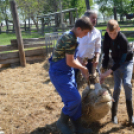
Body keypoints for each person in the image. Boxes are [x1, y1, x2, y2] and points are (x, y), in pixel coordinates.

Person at [49, 17, 93, 134]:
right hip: (59, 73)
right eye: (85, 32)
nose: (86, 35)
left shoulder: (71, 35)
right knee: (74, 99)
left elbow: (71, 59)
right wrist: (83, 68)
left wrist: (80, 65)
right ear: (78, 28)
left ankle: (77, 127)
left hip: (67, 72)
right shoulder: (70, 39)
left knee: (76, 101)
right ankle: (62, 122)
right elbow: (69, 62)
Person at [100, 19, 134, 125]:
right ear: (107, 30)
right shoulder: (106, 37)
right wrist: (103, 70)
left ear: (118, 29)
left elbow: (122, 60)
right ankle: (114, 115)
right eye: (110, 33)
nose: (112, 35)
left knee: (127, 83)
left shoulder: (123, 39)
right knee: (116, 88)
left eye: (114, 33)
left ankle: (131, 116)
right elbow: (105, 55)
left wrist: (109, 71)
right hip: (115, 62)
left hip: (126, 62)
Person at [75, 10, 101, 77]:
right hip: (78, 60)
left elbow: (97, 48)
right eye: (92, 18)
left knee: (91, 80)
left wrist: (97, 59)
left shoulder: (97, 32)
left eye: (96, 18)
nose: (95, 20)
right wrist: (80, 62)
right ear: (86, 19)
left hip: (90, 61)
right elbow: (75, 48)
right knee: (75, 79)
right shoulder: (80, 31)